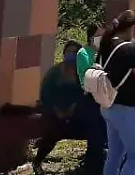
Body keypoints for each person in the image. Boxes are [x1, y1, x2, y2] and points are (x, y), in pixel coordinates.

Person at [98, 10, 135, 175]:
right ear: (133, 28)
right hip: (127, 109)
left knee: (115, 153)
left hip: (108, 105)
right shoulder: (130, 49)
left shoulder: (107, 44)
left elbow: (118, 67)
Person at [32, 42, 90, 175]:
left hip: (76, 112)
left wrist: (74, 108)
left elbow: (85, 94)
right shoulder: (55, 72)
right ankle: (37, 161)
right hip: (54, 112)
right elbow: (46, 94)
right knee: (53, 131)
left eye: (74, 52)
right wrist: (57, 110)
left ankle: (89, 163)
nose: (71, 55)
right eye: (68, 52)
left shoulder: (83, 72)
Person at [73, 23, 107, 175]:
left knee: (104, 139)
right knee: (95, 140)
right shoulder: (83, 53)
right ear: (91, 36)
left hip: (104, 98)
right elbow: (86, 76)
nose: (101, 38)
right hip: (90, 100)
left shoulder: (105, 52)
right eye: (98, 35)